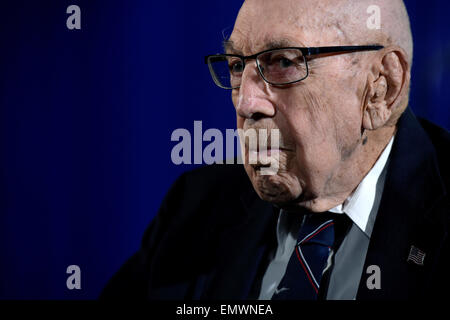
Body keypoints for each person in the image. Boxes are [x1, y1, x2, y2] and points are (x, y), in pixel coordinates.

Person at [101, 0, 450, 300]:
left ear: (381, 88)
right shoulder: (194, 207)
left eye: (283, 62)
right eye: (237, 66)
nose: (246, 103)